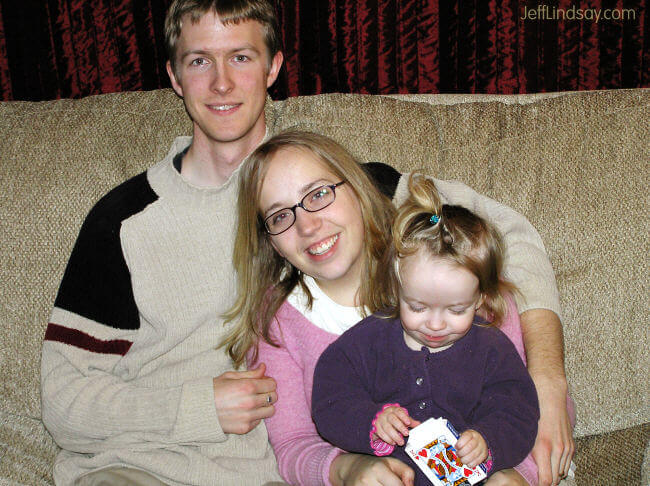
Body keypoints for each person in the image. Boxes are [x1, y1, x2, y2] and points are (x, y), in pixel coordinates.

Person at [40, 0, 572, 484]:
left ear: (273, 67)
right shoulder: (125, 220)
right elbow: (64, 403)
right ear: (174, 77)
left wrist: (546, 380)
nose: (222, 83)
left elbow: (504, 238)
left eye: (242, 57)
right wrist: (196, 407)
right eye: (199, 60)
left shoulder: (351, 191)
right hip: (143, 468)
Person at [225, 130, 574, 486]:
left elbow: (527, 404)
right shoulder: (278, 324)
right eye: (280, 217)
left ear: (358, 188)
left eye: (318, 194)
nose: (308, 225)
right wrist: (348, 470)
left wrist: (516, 476)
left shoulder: (443, 267)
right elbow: (293, 445)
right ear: (270, 241)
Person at [311, 172, 541, 485]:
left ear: (481, 298)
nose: (434, 324)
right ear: (396, 290)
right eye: (417, 307)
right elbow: (330, 402)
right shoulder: (366, 343)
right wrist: (372, 420)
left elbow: (519, 413)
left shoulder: (492, 349)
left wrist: (488, 441)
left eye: (456, 310)